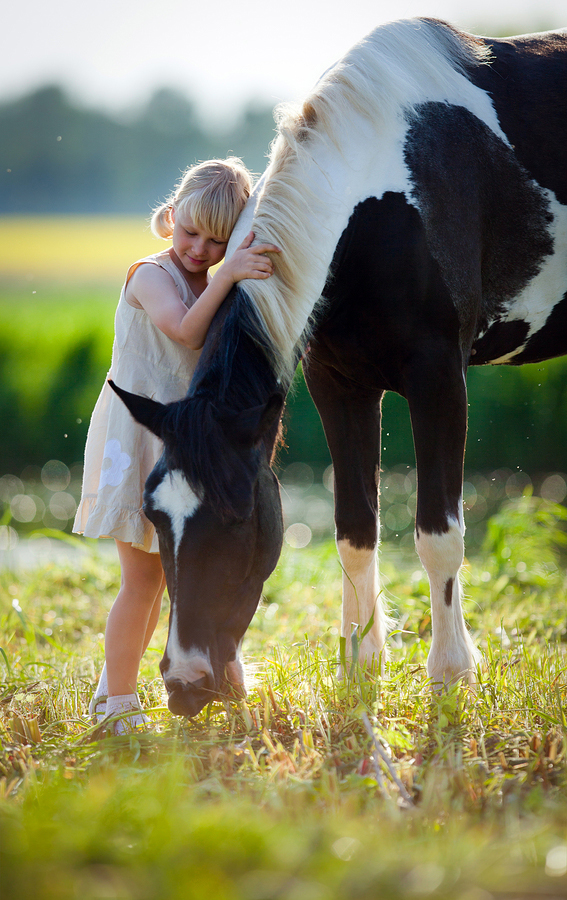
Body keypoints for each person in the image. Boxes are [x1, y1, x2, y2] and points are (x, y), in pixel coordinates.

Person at [73, 158, 279, 733]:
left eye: (218, 241)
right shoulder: (151, 274)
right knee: (140, 582)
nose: (199, 249)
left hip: (179, 443)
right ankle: (115, 702)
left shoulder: (208, 276)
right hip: (138, 437)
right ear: (172, 217)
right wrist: (229, 273)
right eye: (191, 232)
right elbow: (187, 332)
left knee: (165, 582)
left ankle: (113, 687)